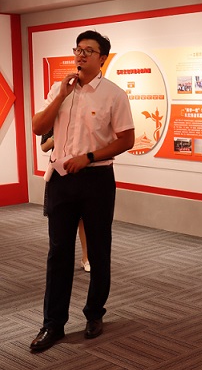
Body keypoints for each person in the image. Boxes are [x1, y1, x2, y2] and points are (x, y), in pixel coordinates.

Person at [30, 30, 135, 352]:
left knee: (99, 250)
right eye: (78, 49)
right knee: (58, 253)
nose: (81, 55)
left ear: (102, 58)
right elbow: (37, 127)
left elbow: (126, 140)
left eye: (88, 50)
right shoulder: (59, 89)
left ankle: (94, 313)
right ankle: (53, 324)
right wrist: (60, 95)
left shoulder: (114, 95)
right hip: (62, 179)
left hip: (96, 179)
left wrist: (88, 157)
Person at [40, 131, 90, 273]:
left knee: (83, 220)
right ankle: (62, 262)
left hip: (82, 171)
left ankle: (86, 258)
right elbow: (44, 147)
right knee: (60, 222)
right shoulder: (51, 121)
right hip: (59, 174)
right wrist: (58, 136)